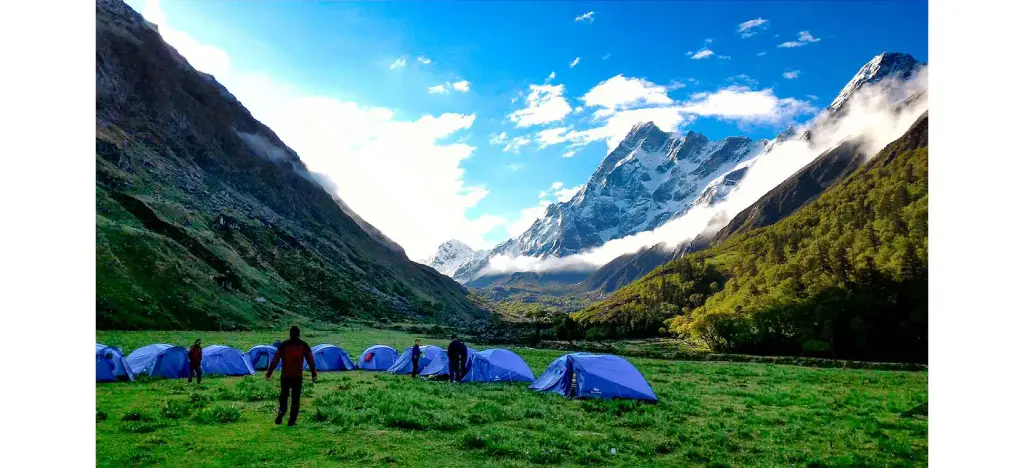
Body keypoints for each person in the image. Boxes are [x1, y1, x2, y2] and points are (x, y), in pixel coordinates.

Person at [265, 326, 318, 426]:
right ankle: (292, 421)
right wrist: (313, 374)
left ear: (290, 334)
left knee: (284, 395)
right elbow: (310, 361)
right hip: (297, 376)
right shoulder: (303, 345)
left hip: (285, 375)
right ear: (299, 334)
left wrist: (269, 373)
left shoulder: (284, 345)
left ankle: (282, 411)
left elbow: (275, 360)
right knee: (295, 399)